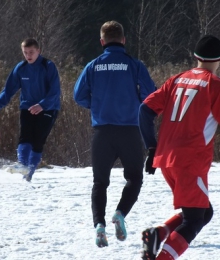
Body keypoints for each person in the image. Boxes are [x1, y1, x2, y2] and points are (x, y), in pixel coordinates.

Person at [73, 20, 156, 247]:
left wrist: (98, 104)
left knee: (100, 183)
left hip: (102, 132)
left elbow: (78, 96)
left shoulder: (93, 65)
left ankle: (99, 225)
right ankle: (120, 214)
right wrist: (135, 102)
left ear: (102, 42)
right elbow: (151, 95)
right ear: (123, 40)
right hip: (129, 131)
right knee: (135, 179)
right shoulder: (134, 64)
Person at [139, 35, 220, 259]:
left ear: (195, 56)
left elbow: (144, 111)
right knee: (194, 219)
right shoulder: (214, 86)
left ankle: (157, 234)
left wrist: (152, 148)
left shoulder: (176, 79)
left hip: (166, 159)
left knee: (203, 212)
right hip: (190, 161)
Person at [0, 38, 61, 182]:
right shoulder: (20, 68)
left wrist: (42, 105)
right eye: (25, 52)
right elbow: (8, 89)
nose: (28, 55)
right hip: (27, 107)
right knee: (25, 136)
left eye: (31, 52)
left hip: (48, 108)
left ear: (38, 51)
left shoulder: (48, 66)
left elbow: (55, 91)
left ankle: (29, 173)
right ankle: (22, 164)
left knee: (38, 141)